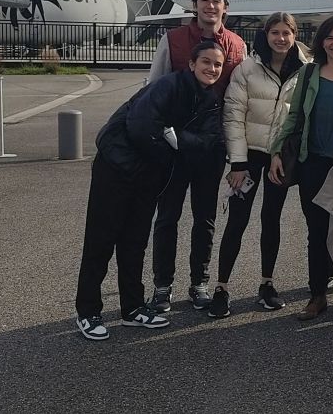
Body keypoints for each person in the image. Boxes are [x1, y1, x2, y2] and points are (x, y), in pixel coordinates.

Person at [75, 41, 225, 340]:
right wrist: (175, 147)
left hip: (149, 175)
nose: (211, 69)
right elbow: (142, 125)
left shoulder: (210, 99)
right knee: (101, 240)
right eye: (206, 62)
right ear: (192, 64)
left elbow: (207, 143)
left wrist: (174, 136)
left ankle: (132, 308)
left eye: (217, 64)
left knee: (134, 242)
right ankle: (87, 311)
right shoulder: (168, 86)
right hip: (116, 166)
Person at [148, 0, 246, 313]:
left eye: (217, 0)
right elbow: (153, 92)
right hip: (173, 146)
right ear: (195, 5)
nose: (210, 5)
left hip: (211, 148)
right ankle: (162, 286)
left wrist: (237, 154)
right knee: (167, 217)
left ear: (225, 7)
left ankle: (199, 283)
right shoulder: (173, 40)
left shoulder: (236, 45)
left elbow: (239, 100)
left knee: (205, 218)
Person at [209, 13, 310, 318]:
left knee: (272, 218)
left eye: (286, 33)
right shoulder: (247, 69)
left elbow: (299, 120)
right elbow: (233, 117)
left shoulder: (304, 71)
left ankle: (267, 283)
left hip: (279, 156)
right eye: (275, 32)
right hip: (248, 156)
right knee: (237, 221)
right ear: (265, 34)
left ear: (294, 35)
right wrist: (237, 163)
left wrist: (282, 152)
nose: (281, 38)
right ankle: (222, 287)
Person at [269, 15, 333, 321]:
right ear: (321, 41)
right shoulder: (309, 73)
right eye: (330, 37)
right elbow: (295, 116)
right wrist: (276, 151)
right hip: (312, 163)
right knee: (317, 232)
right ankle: (317, 296)